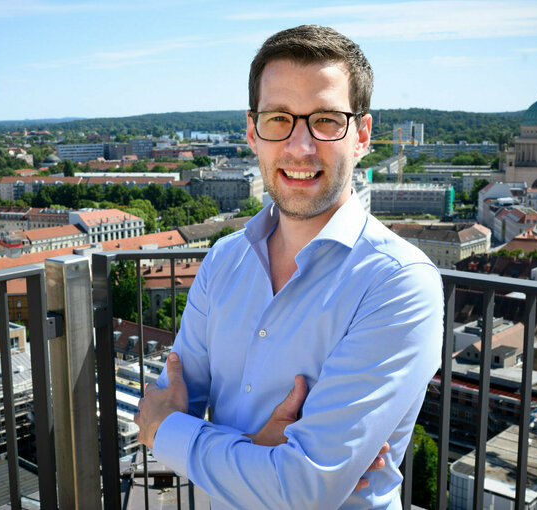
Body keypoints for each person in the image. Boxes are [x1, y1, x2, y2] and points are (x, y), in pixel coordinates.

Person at [134, 25, 443, 509]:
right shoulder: (224, 258)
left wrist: (173, 434)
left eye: (324, 120)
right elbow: (164, 403)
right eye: (279, 119)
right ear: (253, 131)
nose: (299, 147)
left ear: (361, 135)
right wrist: (259, 455)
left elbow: (299, 490)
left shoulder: (399, 284)